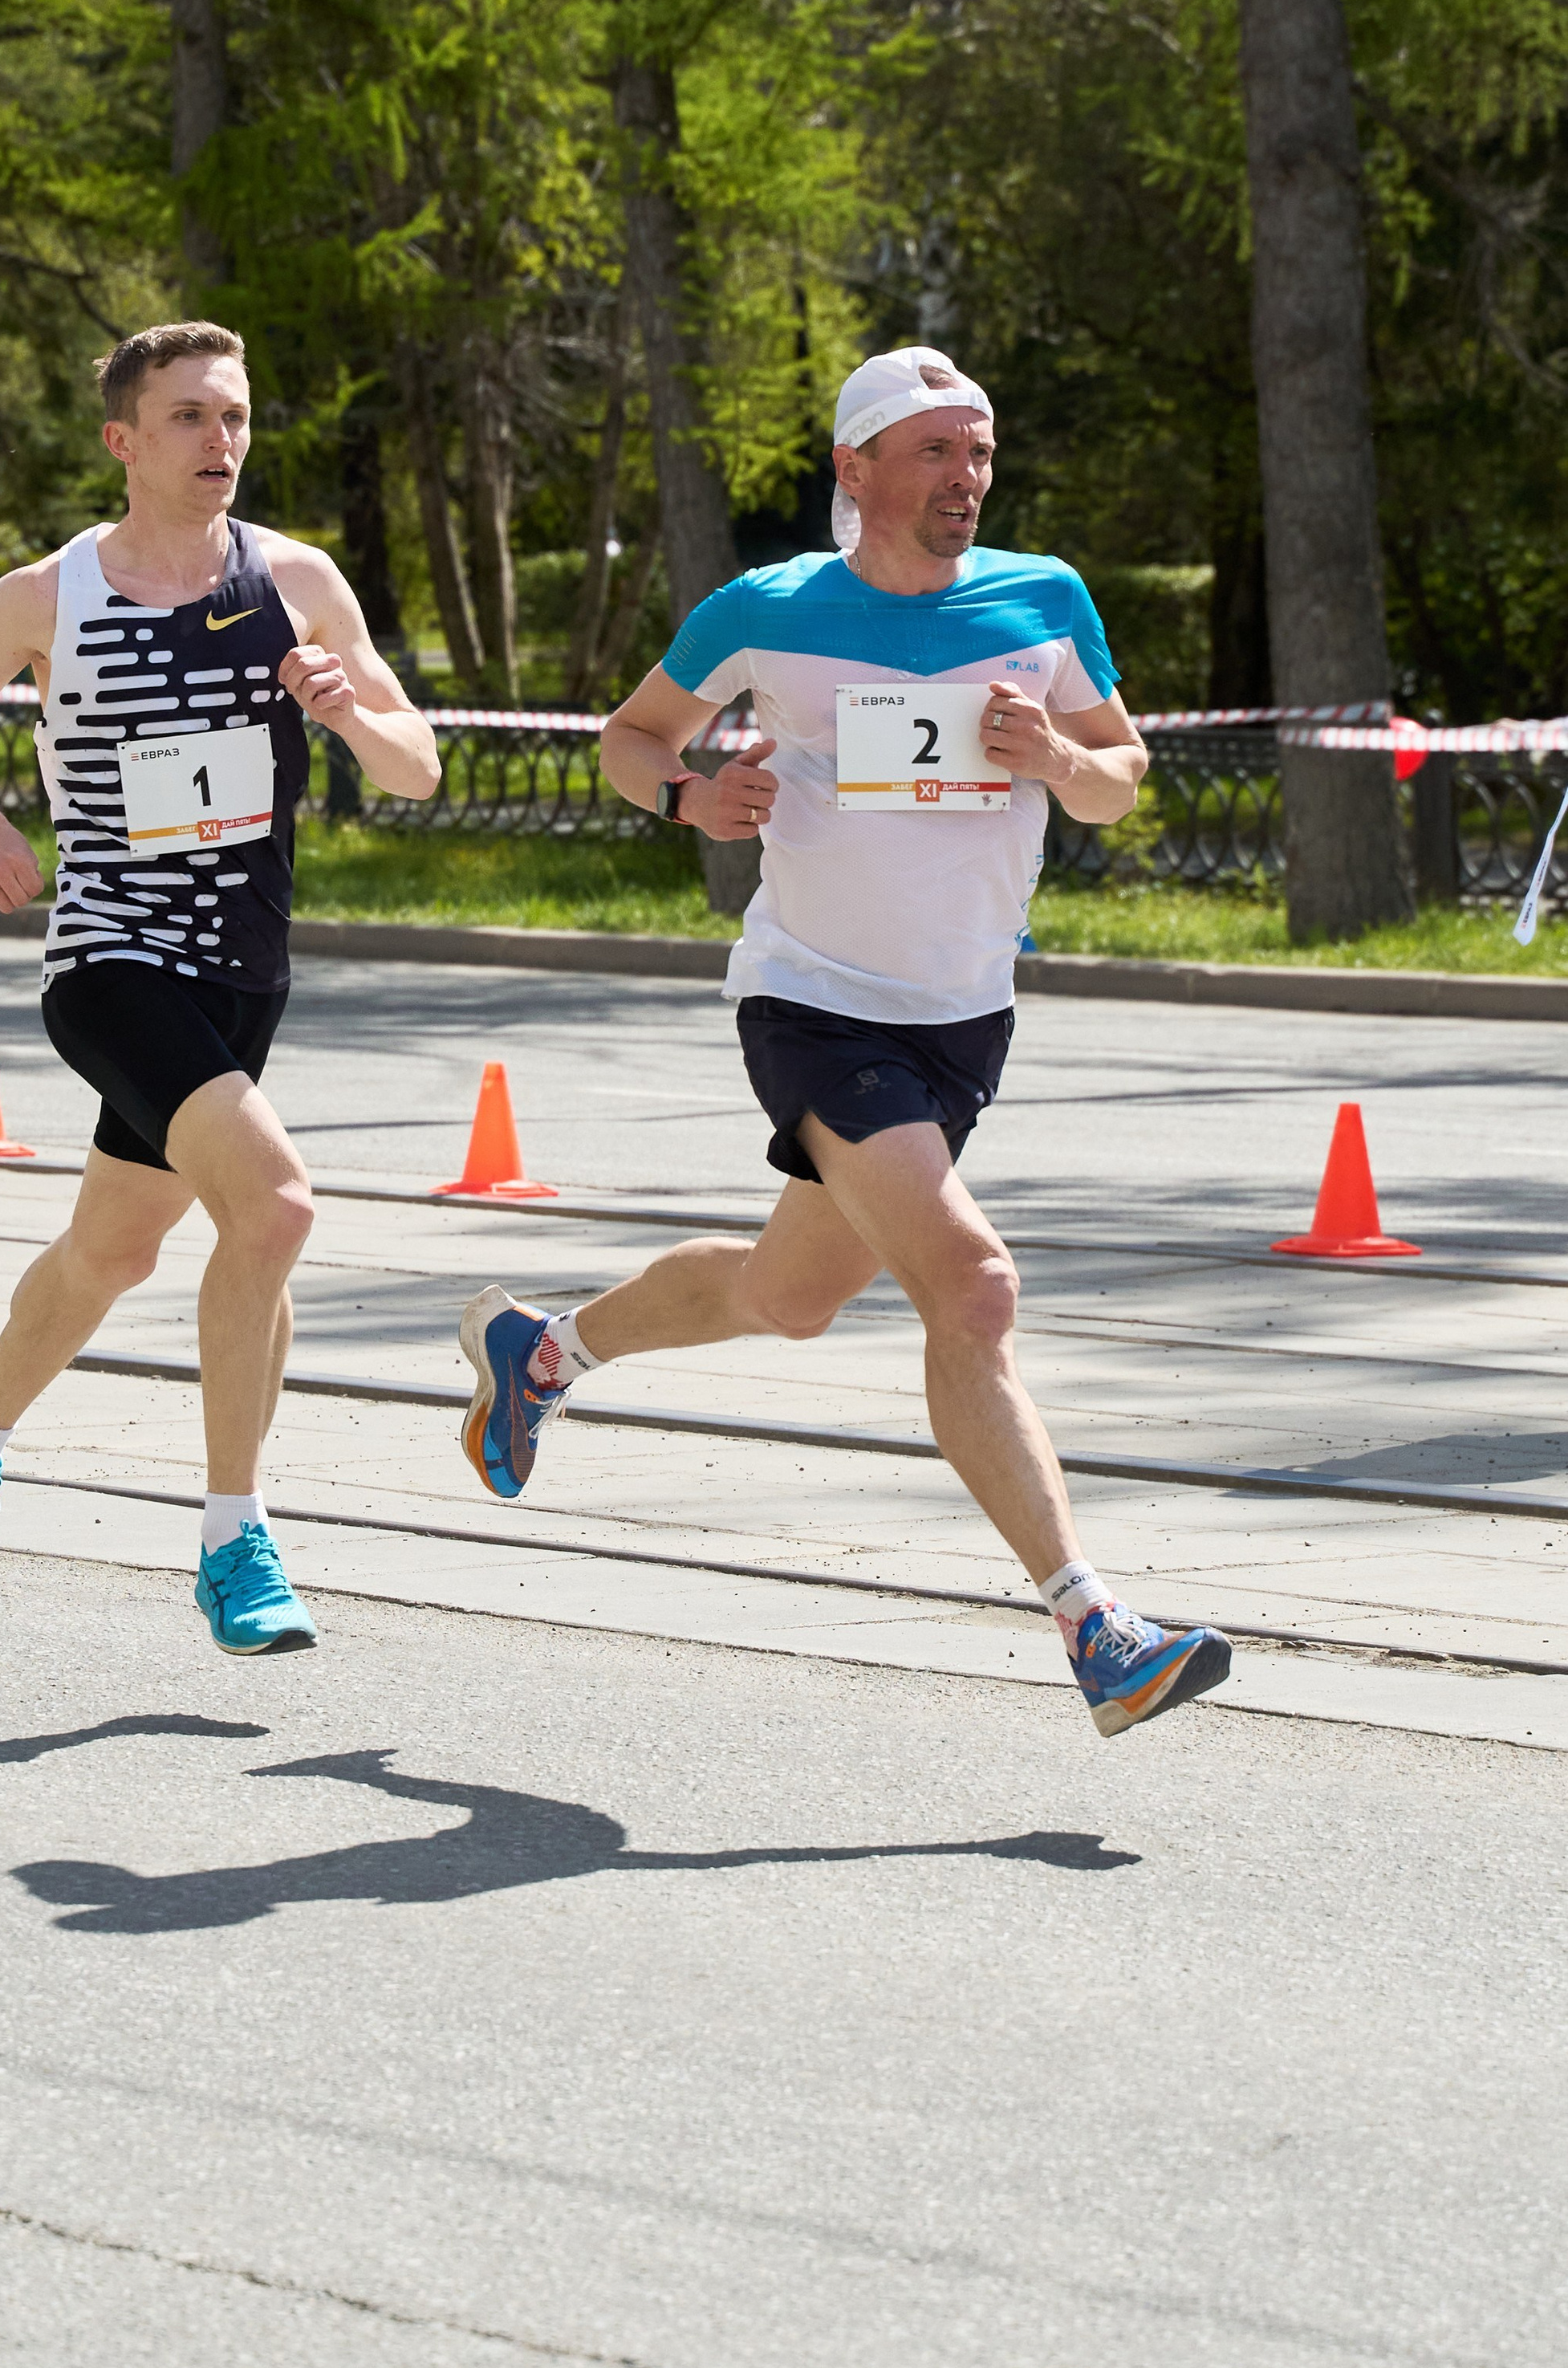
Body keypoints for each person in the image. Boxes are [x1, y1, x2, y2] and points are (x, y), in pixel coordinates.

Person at [454, 346, 1230, 1739]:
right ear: (855, 469)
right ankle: (1094, 1627)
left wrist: (1056, 760)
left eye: (980, 452)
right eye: (936, 452)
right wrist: (695, 798)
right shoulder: (768, 611)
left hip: (964, 1018)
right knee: (976, 1290)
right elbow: (629, 741)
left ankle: (544, 1351)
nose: (966, 478)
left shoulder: (1042, 598)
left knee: (790, 1293)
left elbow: (1121, 778)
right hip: (813, 1003)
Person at [0, 319, 440, 1654]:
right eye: (191, 418)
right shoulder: (48, 596)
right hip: (111, 960)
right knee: (276, 1208)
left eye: (237, 417)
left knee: (115, 1250)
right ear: (124, 443)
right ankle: (232, 1537)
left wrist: (345, 711)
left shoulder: (299, 583)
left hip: (244, 972)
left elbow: (416, 767)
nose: (223, 443)